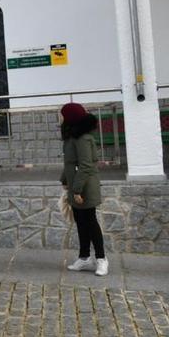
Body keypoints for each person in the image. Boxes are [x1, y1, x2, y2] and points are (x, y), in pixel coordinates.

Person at [60, 103, 108, 276]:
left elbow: (86, 166)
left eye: (63, 115)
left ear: (70, 117)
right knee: (80, 222)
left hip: (84, 187)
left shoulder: (83, 138)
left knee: (90, 222)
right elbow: (70, 164)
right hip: (76, 187)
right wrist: (64, 180)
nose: (61, 118)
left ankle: (102, 259)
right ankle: (85, 257)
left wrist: (77, 190)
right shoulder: (72, 137)